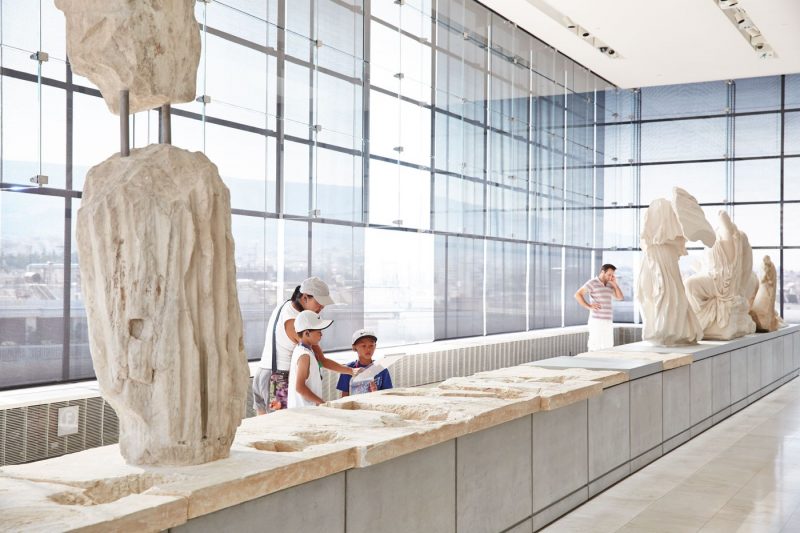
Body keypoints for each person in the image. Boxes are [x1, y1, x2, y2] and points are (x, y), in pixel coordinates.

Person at [252, 276, 358, 414]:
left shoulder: (285, 306)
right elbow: (321, 360)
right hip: (278, 380)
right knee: (280, 428)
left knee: (264, 429)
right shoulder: (296, 322)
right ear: (305, 297)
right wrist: (351, 371)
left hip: (263, 374)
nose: (322, 307)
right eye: (319, 302)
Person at [288, 310, 333, 407]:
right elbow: (300, 387)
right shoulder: (304, 355)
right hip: (304, 410)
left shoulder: (306, 350)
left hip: (307, 409)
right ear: (307, 333)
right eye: (319, 331)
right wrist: (322, 403)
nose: (321, 335)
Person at [574, 264, 623, 351]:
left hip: (608, 320)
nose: (611, 277)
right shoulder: (592, 283)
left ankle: (606, 364)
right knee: (595, 345)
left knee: (608, 345)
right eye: (609, 274)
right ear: (602, 272)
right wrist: (589, 306)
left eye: (612, 275)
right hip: (596, 320)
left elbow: (620, 297)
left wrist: (615, 285)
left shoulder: (610, 285)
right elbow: (578, 294)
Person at [336, 329, 393, 397]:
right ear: (354, 347)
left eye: (371, 345)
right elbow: (344, 398)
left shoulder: (382, 369)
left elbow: (388, 395)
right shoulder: (347, 369)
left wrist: (375, 392)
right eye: (363, 346)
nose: (368, 349)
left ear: (375, 346)